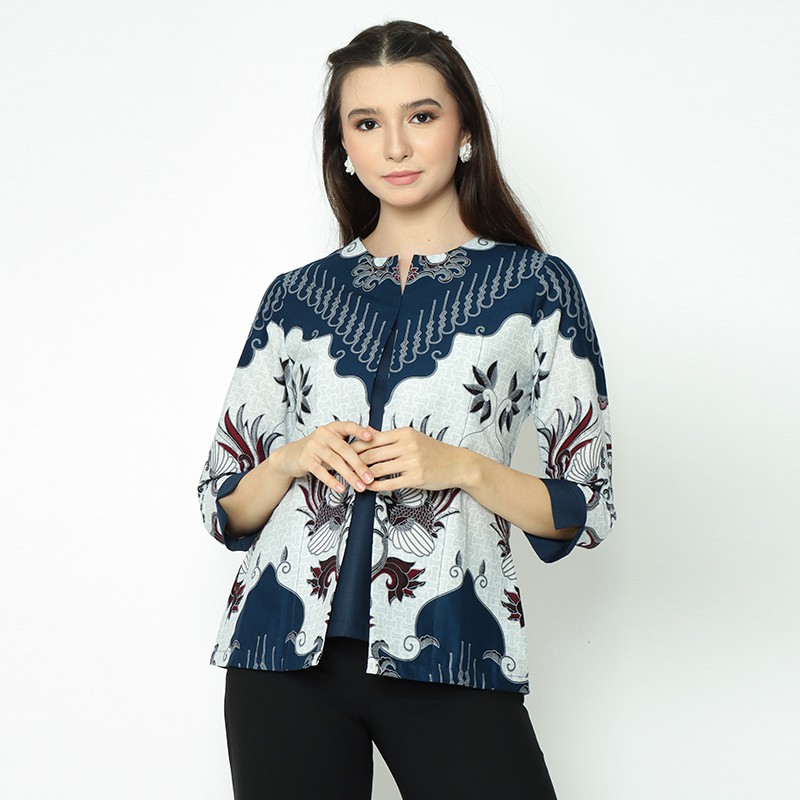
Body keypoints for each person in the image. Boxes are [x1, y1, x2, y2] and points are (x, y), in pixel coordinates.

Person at [197, 19, 615, 800]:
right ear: (343, 148)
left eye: (421, 116)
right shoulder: (295, 297)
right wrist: (290, 458)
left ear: (465, 130)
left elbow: (584, 506)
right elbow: (223, 506)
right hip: (278, 659)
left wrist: (462, 467)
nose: (395, 146)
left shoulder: (537, 288)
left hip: (453, 647)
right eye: (367, 123)